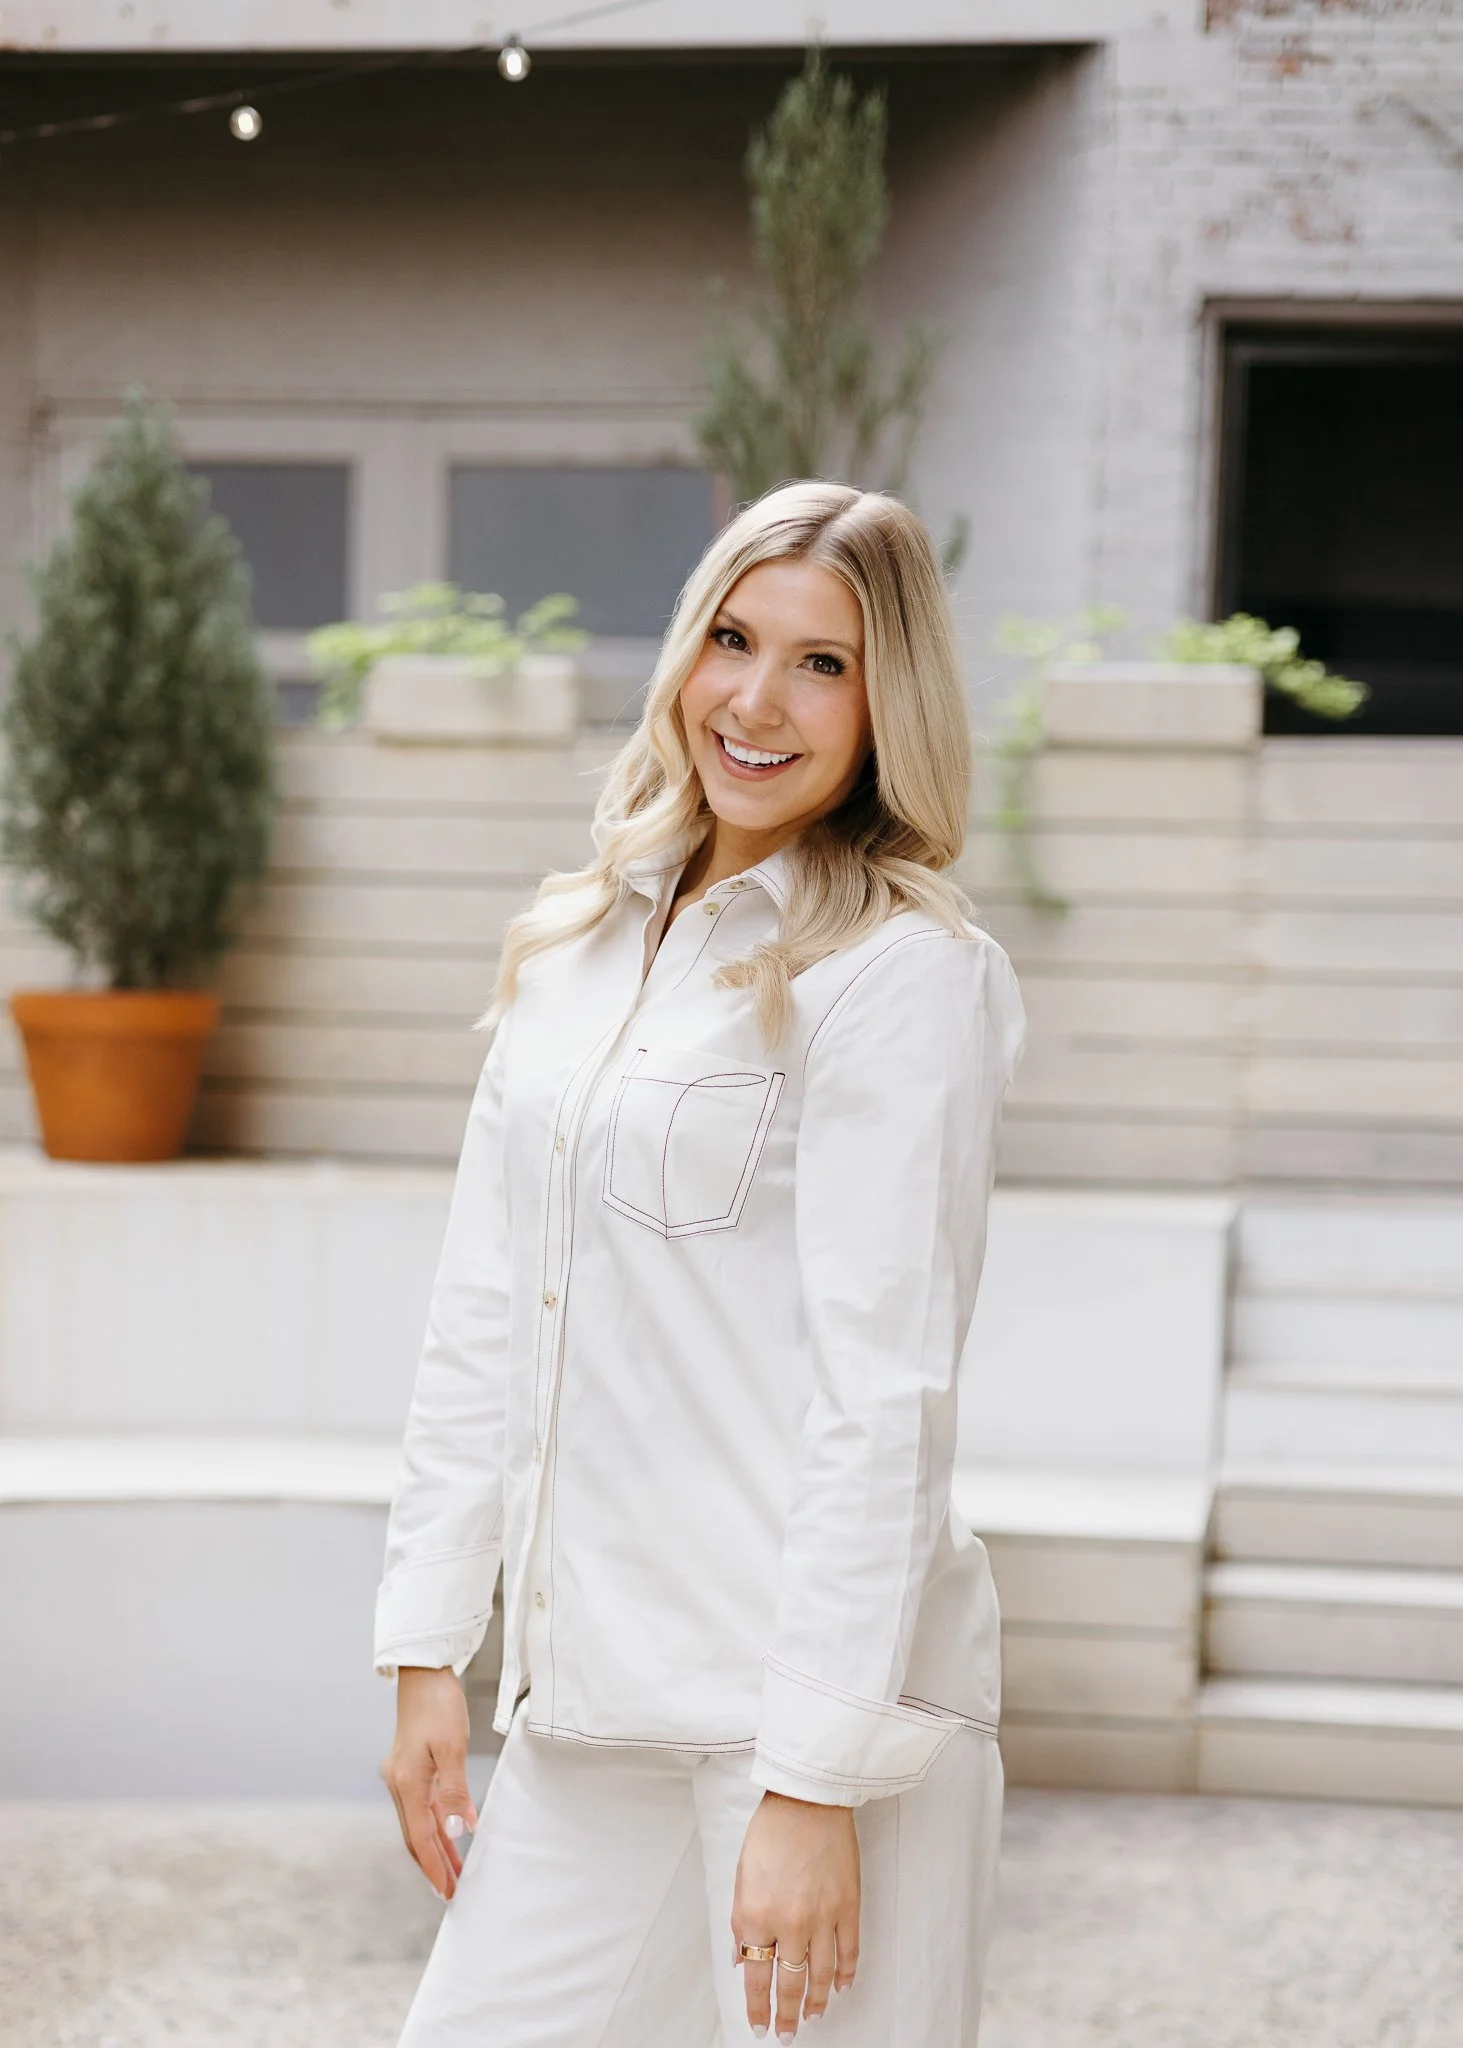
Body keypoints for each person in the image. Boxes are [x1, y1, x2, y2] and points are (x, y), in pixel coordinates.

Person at [375, 479, 1025, 2047]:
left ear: (890, 705)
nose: (755, 699)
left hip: (807, 1727)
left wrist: (810, 1786)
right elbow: (483, 1315)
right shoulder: (574, 942)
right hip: (588, 1701)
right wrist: (424, 1645)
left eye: (822, 663)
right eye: (732, 639)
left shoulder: (901, 978)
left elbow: (883, 1401)